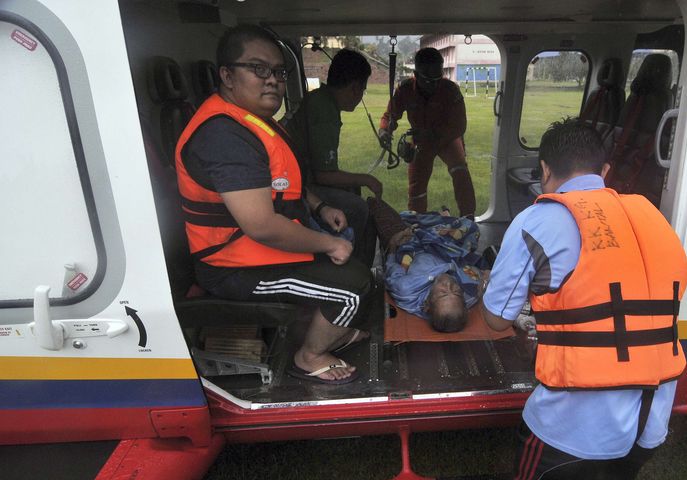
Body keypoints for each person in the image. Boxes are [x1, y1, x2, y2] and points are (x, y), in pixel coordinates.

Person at [461, 119, 687, 480]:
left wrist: (485, 286)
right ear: (604, 174)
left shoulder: (538, 222)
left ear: (545, 171)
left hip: (570, 424)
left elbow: (496, 320)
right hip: (649, 418)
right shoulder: (654, 218)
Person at [175, 25, 373, 384]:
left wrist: (318, 208)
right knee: (353, 287)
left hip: (255, 250)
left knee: (348, 259)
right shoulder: (224, 135)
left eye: (279, 72)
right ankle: (309, 356)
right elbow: (262, 225)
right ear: (227, 76)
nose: (273, 81)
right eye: (258, 69)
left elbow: (285, 184)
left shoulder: (252, 121)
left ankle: (331, 330)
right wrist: (329, 243)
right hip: (230, 265)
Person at [282, 48, 380, 266]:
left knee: (351, 190)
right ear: (355, 88)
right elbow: (323, 176)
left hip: (295, 181)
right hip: (292, 188)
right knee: (359, 208)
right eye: (362, 89)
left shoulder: (320, 99)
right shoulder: (324, 110)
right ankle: (354, 268)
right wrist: (367, 179)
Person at [378, 47, 476, 217]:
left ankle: (468, 219)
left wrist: (433, 135)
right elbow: (390, 116)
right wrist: (384, 131)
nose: (434, 84)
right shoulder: (405, 89)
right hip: (421, 141)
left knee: (460, 172)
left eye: (438, 79)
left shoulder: (450, 90)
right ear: (415, 74)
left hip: (447, 139)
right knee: (416, 185)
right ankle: (418, 222)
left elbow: (460, 126)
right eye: (428, 80)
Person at [368, 198, 484, 333]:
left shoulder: (406, 289)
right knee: (470, 226)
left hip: (409, 246)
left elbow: (392, 267)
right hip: (444, 247)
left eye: (442, 293)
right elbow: (477, 274)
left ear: (427, 305)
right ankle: (431, 219)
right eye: (457, 292)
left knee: (376, 205)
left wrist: (393, 245)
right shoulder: (470, 294)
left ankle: (421, 220)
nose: (449, 285)